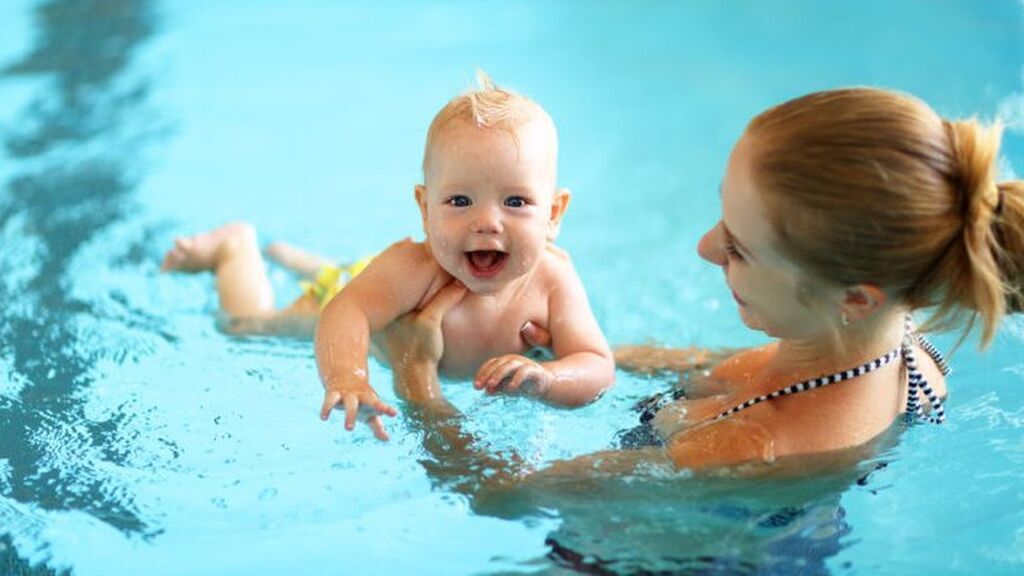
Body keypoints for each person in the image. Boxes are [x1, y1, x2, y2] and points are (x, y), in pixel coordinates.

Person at [389, 86, 1023, 476]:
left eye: (740, 247)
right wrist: (576, 356)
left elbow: (503, 497)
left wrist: (417, 381)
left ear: (855, 297)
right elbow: (723, 368)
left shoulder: (753, 446)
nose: (705, 247)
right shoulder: (897, 341)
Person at [161, 72, 616, 441]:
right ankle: (234, 249)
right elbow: (347, 308)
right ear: (424, 208)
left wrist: (549, 378)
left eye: (515, 202)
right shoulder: (416, 268)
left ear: (554, 214)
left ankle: (304, 260)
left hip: (379, 284)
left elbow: (595, 363)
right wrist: (347, 374)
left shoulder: (553, 279)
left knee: (363, 279)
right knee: (250, 326)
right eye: (460, 201)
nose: (487, 222)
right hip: (363, 287)